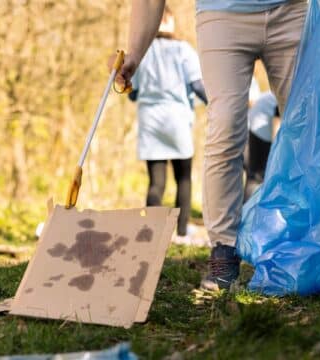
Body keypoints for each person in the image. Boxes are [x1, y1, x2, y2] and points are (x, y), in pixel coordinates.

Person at [117, 0, 309, 290]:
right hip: (223, 15)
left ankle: (305, 245)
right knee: (225, 127)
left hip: (292, 10)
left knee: (306, 128)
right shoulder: (177, 50)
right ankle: (224, 250)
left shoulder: (179, 51)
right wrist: (134, 52)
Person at [128, 6, 207, 241]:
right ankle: (182, 232)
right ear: (170, 22)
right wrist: (218, 105)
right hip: (177, 120)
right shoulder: (183, 50)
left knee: (156, 181)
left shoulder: (143, 54)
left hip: (150, 120)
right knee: (183, 177)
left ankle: (150, 233)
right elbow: (198, 85)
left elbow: (133, 93)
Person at [244, 91, 278, 200]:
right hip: (259, 129)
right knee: (257, 176)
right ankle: (248, 213)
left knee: (255, 176)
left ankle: (247, 212)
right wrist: (276, 151)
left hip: (255, 122)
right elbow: (277, 124)